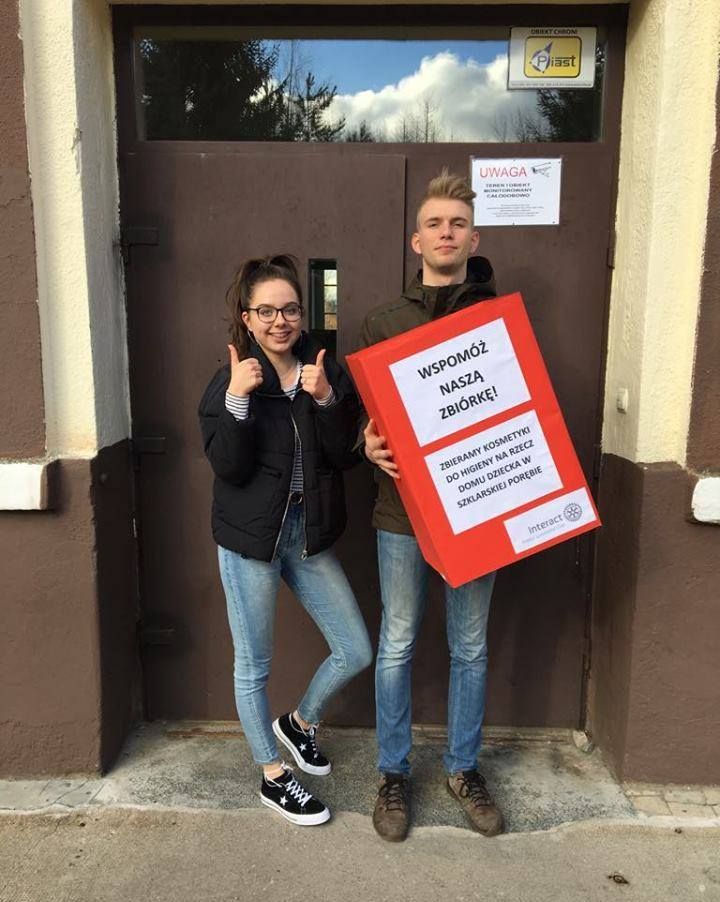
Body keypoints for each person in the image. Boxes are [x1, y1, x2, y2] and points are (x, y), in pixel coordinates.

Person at [199, 254, 372, 827]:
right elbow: (228, 467)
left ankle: (299, 724)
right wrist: (238, 399)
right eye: (267, 311)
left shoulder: (323, 371)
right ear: (247, 318)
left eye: (290, 309)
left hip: (306, 535)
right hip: (251, 543)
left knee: (355, 648)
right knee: (253, 666)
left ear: (303, 313)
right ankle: (273, 774)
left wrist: (325, 399)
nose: (280, 321)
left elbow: (345, 456)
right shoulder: (231, 380)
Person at [358, 170, 504, 842]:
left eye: (458, 224)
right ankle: (393, 773)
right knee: (397, 644)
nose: (447, 233)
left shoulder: (496, 322)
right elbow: (362, 418)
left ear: (474, 238)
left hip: (477, 507)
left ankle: (462, 768)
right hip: (401, 514)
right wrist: (365, 444)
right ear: (416, 240)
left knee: (469, 646)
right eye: (435, 224)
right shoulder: (382, 323)